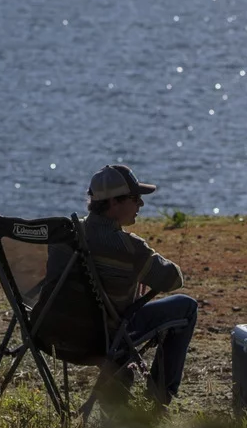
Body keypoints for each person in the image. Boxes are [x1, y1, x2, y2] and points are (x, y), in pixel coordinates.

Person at [76, 163, 199, 405]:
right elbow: (174, 280)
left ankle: (117, 397)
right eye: (135, 198)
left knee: (117, 316)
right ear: (113, 203)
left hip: (57, 333)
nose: (141, 204)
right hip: (105, 337)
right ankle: (158, 400)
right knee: (187, 307)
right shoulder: (129, 248)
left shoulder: (68, 233)